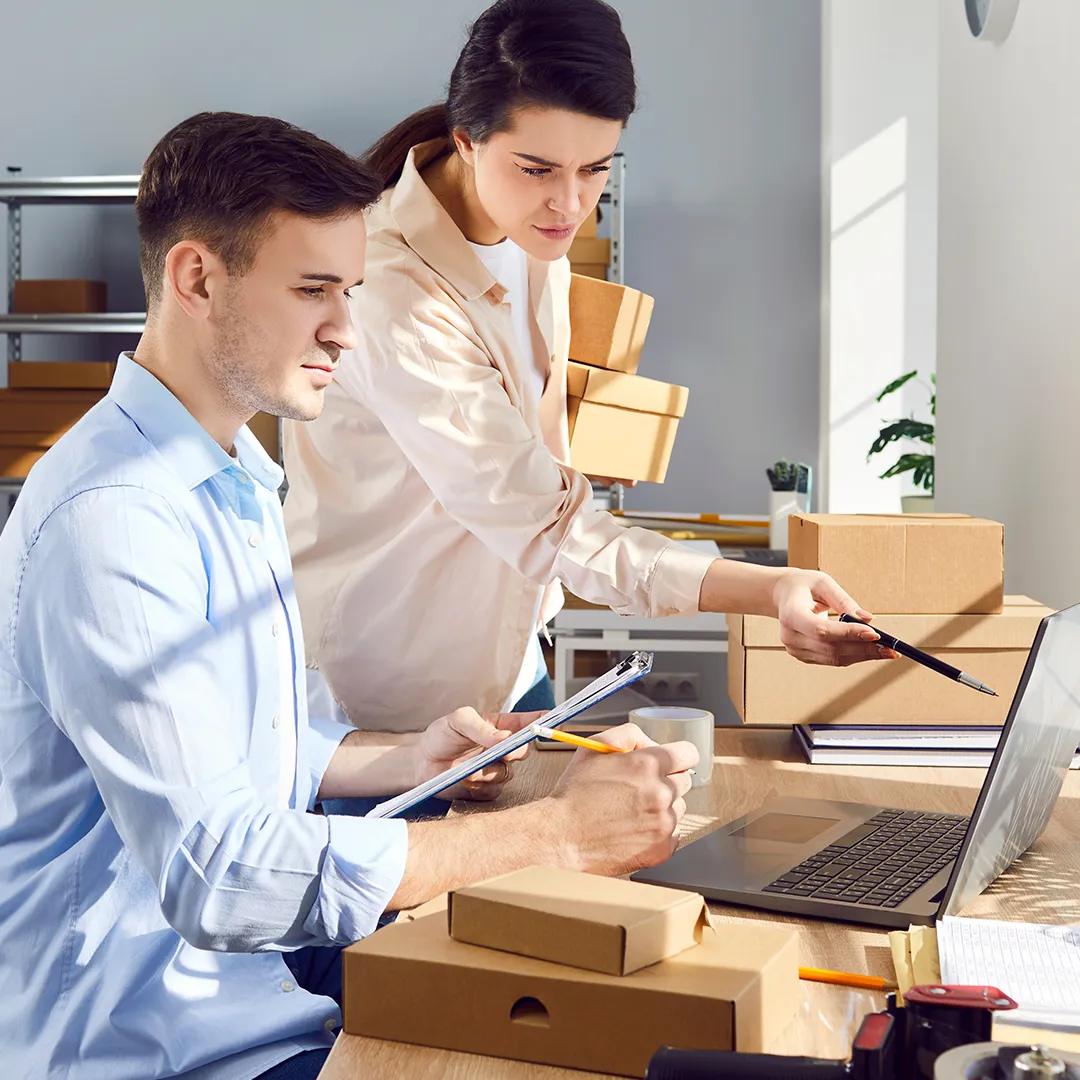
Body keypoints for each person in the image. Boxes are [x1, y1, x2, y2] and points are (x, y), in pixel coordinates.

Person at [0, 111, 698, 1080]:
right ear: (198, 279)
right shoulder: (115, 518)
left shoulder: (233, 470)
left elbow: (235, 740)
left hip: (254, 993)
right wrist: (558, 834)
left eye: (354, 289)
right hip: (154, 1049)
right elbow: (224, 871)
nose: (346, 326)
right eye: (314, 290)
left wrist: (404, 759)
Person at [283, 0, 890, 735]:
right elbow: (546, 525)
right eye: (536, 167)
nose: (569, 203)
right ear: (467, 142)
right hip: (394, 698)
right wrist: (771, 590)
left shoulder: (534, 232)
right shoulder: (392, 288)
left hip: (512, 660)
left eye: (595, 168)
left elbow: (515, 458)